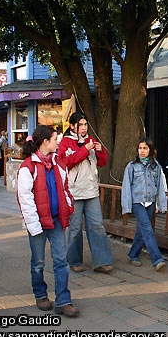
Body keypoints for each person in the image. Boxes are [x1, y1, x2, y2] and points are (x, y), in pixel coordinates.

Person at [16, 125, 79, 317]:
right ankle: (41, 295)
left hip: (56, 221)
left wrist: (68, 208)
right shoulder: (28, 167)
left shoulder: (59, 164)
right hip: (37, 223)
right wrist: (33, 225)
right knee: (38, 262)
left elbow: (66, 188)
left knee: (61, 260)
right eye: (54, 139)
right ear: (45, 142)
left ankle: (63, 300)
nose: (57, 142)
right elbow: (24, 198)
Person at [58, 112, 114, 274]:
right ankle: (74, 260)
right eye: (80, 125)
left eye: (85, 125)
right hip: (74, 192)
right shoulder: (65, 143)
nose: (83, 128)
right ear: (72, 126)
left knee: (97, 226)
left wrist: (100, 150)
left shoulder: (91, 140)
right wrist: (84, 151)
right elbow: (64, 164)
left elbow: (102, 163)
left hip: (91, 190)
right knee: (75, 229)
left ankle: (102, 261)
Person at [121, 138, 168, 271]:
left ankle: (132, 255)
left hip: (150, 202)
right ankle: (157, 260)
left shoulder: (156, 166)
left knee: (141, 231)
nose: (142, 151)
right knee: (147, 230)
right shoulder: (132, 166)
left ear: (151, 150)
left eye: (145, 148)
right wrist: (127, 206)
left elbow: (159, 186)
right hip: (138, 202)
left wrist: (161, 204)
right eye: (140, 148)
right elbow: (126, 187)